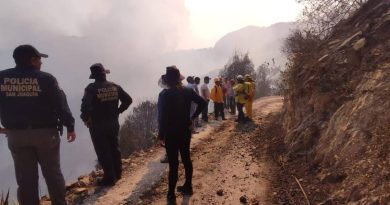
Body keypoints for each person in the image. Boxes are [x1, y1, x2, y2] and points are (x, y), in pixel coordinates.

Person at [0, 45, 76, 205]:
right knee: (53, 174)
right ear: (32, 60)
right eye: (39, 59)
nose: (41, 62)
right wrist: (70, 126)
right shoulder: (46, 79)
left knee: (25, 179)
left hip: (16, 135)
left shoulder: (2, 78)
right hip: (46, 134)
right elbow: (60, 104)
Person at [158, 66, 206, 204]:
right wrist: (192, 118)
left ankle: (171, 195)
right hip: (185, 130)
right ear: (179, 78)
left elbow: (162, 118)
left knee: (173, 164)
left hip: (171, 133)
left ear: (167, 80)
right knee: (186, 158)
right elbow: (202, 103)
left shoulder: (164, 95)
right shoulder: (188, 90)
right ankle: (188, 186)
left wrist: (161, 136)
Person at [80, 63, 132, 186]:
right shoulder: (114, 86)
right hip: (113, 123)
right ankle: (118, 173)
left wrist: (86, 119)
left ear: (93, 76)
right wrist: (119, 111)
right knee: (114, 147)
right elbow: (128, 100)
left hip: (98, 125)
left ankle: (109, 178)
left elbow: (85, 108)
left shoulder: (91, 89)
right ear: (104, 74)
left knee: (103, 150)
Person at [158, 75, 169, 164]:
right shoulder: (178, 91)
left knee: (167, 139)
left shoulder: (163, 94)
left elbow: (161, 111)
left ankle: (168, 156)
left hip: (167, 121)